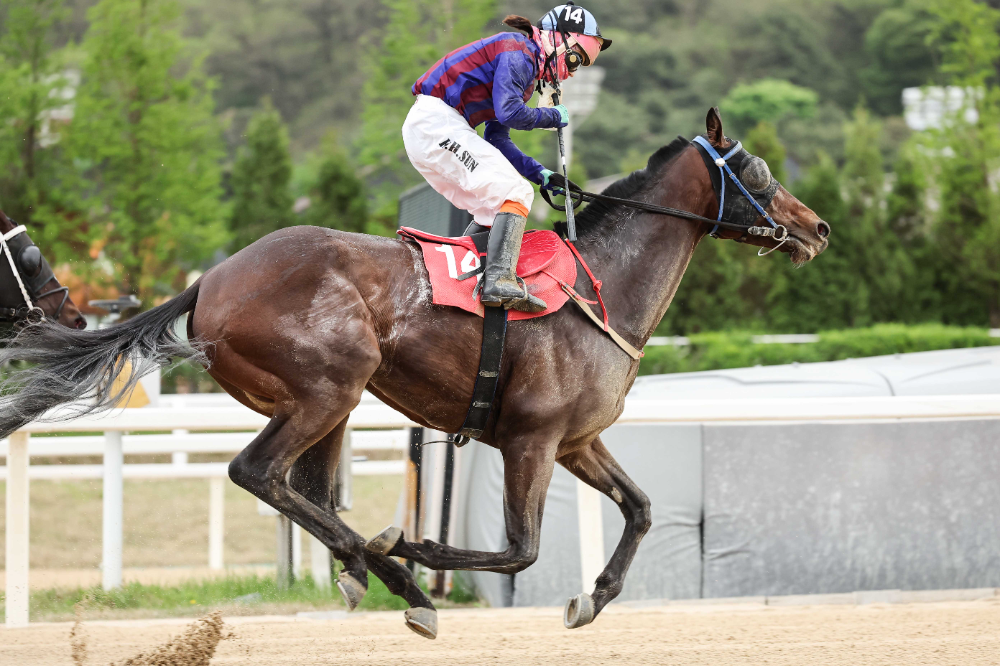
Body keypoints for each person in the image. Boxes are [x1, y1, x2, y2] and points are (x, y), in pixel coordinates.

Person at [403, 3, 611, 312]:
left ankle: (463, 279)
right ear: (557, 38)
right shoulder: (518, 52)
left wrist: (541, 174)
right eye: (574, 58)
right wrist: (552, 115)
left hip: (436, 129)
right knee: (514, 193)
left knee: (495, 205)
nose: (571, 71)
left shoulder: (523, 69)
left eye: (579, 65)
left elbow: (497, 139)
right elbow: (509, 112)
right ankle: (498, 280)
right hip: (436, 124)